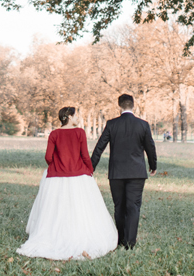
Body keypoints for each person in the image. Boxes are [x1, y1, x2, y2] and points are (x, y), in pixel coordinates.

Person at [17, 107, 118, 260]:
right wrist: (90, 170)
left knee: (56, 207)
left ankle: (55, 235)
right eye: (76, 115)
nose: (78, 119)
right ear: (70, 117)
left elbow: (48, 157)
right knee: (81, 207)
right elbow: (84, 155)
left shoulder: (54, 134)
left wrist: (58, 163)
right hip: (78, 174)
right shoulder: (79, 133)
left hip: (57, 175)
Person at [91, 94, 157, 250]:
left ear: (119, 106)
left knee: (119, 206)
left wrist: (91, 167)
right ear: (133, 106)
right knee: (133, 206)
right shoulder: (143, 125)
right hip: (137, 172)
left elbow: (100, 146)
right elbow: (150, 147)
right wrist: (153, 165)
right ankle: (130, 243)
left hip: (117, 172)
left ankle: (120, 240)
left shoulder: (112, 124)